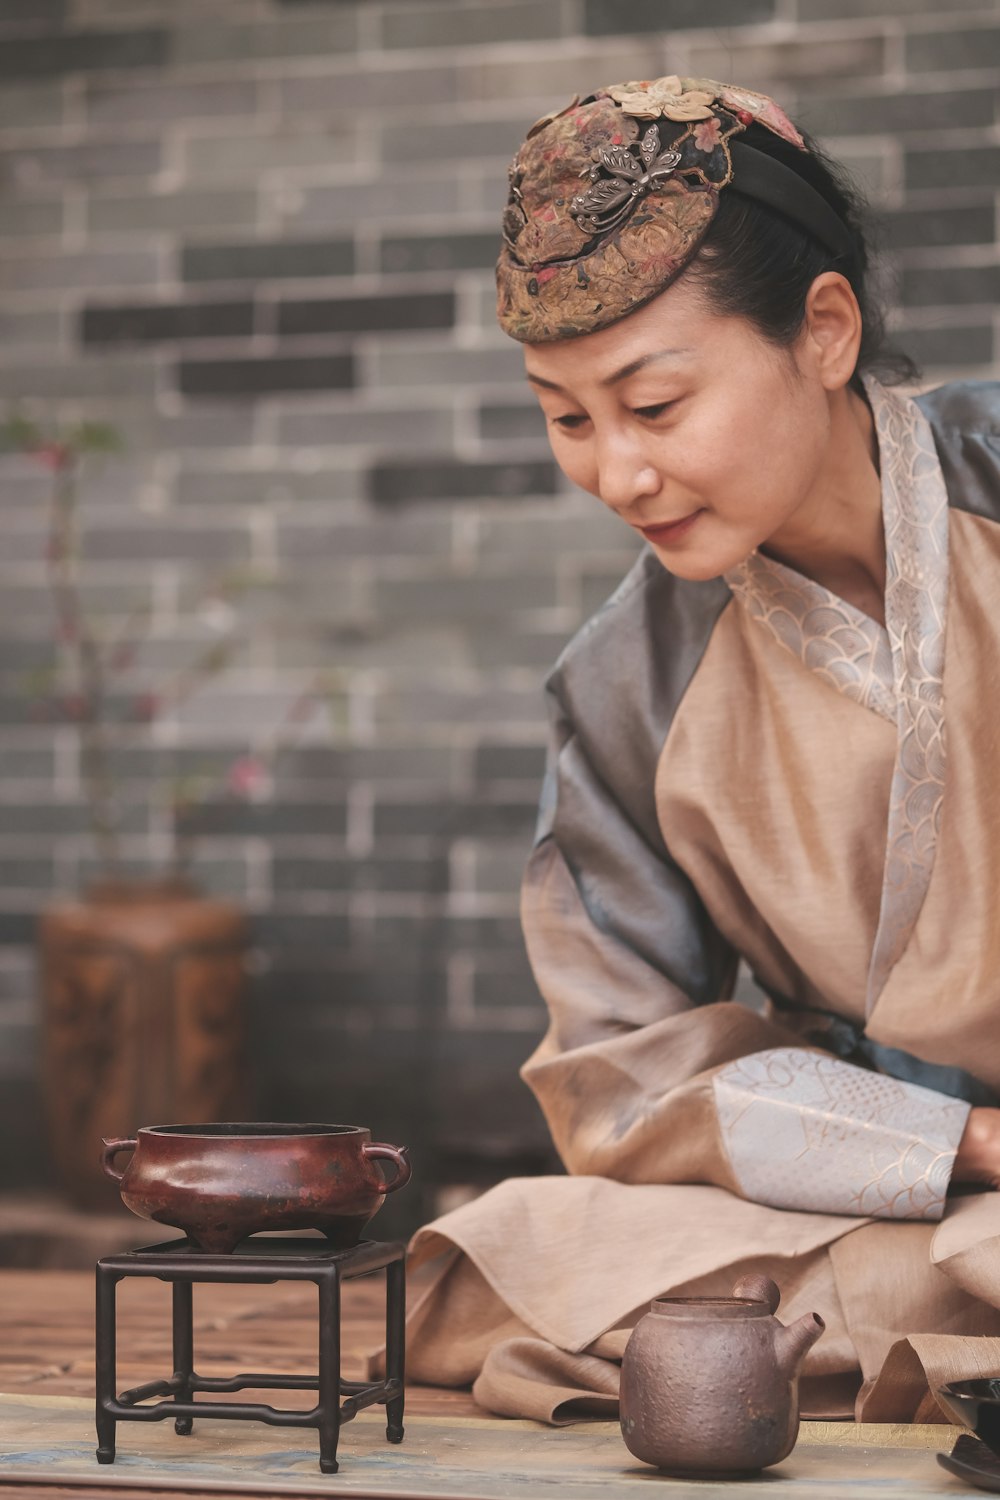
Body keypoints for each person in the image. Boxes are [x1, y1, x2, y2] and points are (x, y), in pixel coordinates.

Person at [398, 75, 1000, 1424]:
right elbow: (625, 1074)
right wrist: (958, 1141)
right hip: (906, 1174)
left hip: (921, 1218)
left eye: (654, 404)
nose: (617, 475)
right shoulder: (625, 685)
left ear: (824, 331)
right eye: (568, 417)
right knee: (509, 1256)